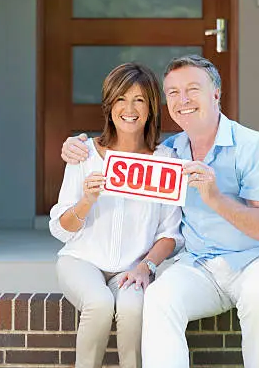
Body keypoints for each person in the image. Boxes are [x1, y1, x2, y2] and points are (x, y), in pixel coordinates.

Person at [61, 55, 259, 368]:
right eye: (173, 92)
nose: (182, 99)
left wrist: (216, 199)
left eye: (192, 89)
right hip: (201, 266)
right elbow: (123, 152)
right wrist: (77, 146)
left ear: (216, 94)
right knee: (158, 299)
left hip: (258, 260)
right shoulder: (171, 152)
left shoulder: (253, 147)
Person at [50, 62, 184, 368]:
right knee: (98, 303)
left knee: (133, 310)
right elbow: (61, 228)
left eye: (139, 99)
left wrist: (146, 267)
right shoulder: (83, 153)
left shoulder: (165, 161)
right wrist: (87, 200)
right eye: (121, 99)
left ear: (151, 107)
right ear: (109, 105)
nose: (130, 108)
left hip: (132, 268)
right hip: (82, 261)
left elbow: (170, 233)